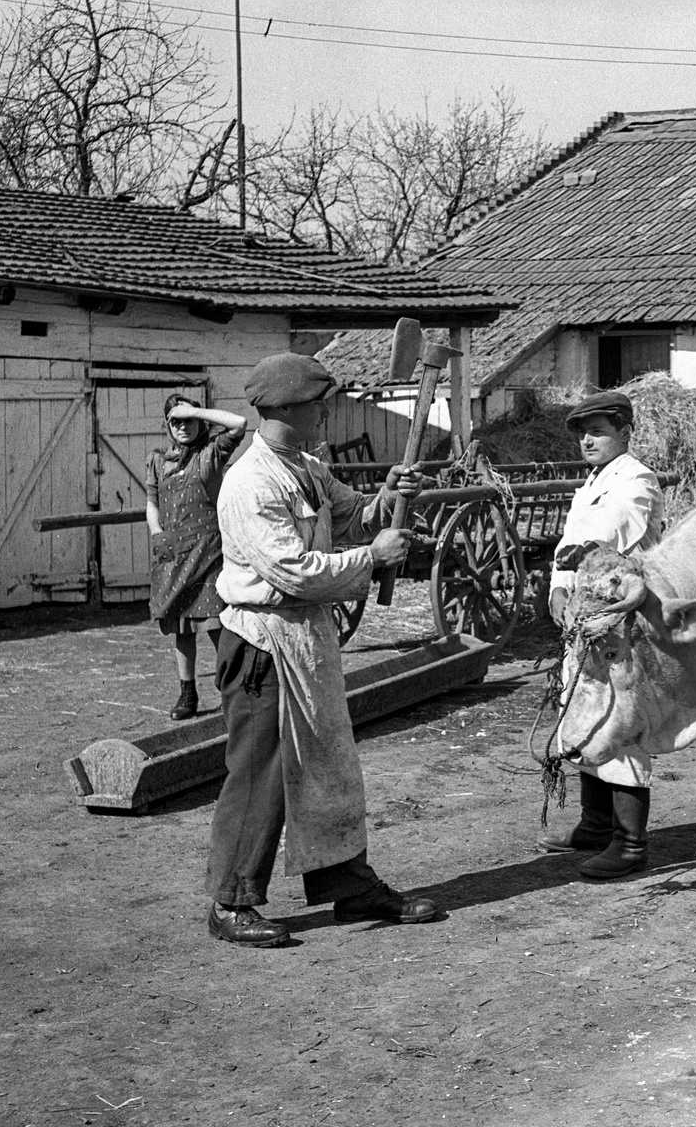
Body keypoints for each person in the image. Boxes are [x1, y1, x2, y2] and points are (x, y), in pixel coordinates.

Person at [204, 352, 436, 948]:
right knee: (262, 775)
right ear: (283, 409)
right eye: (318, 403)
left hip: (306, 638)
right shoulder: (251, 481)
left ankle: (349, 886)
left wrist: (386, 498)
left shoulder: (305, 465)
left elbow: (352, 516)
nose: (326, 411)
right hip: (261, 642)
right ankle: (231, 902)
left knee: (328, 764)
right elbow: (294, 572)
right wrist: (373, 559)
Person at [540, 390, 664, 880]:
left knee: (621, 722)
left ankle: (631, 845)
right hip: (584, 617)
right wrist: (557, 588)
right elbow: (569, 543)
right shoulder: (595, 480)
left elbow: (607, 534)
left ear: (625, 433)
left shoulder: (635, 480)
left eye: (598, 432)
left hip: (620, 620)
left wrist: (568, 569)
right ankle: (595, 825)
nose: (587, 441)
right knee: (584, 716)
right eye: (582, 433)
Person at [145, 396, 249, 720]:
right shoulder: (158, 460)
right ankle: (187, 695)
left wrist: (194, 410)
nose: (183, 426)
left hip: (209, 551)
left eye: (189, 420)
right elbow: (152, 502)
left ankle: (232, 691)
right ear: (167, 426)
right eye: (176, 421)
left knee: (218, 624)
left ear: (199, 421)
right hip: (173, 551)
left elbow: (240, 424)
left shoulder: (211, 453)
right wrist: (156, 534)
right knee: (182, 627)